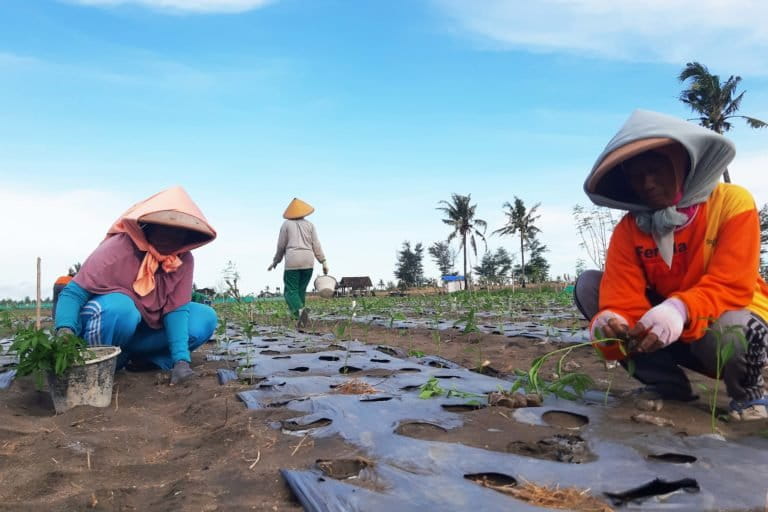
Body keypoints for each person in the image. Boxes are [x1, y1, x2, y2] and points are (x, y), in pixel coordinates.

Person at [575, 109, 768, 421]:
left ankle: (748, 395)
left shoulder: (732, 203)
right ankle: (668, 385)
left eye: (656, 170)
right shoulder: (630, 228)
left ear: (681, 164)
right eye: (637, 176)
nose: (648, 183)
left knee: (736, 329)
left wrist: (679, 310)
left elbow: (732, 284)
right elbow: (621, 297)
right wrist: (611, 323)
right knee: (588, 285)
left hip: (729, 328)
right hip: (664, 333)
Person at [54, 186, 218, 385]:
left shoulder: (183, 260)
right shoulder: (118, 248)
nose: (170, 238)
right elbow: (73, 293)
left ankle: (144, 360)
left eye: (178, 233)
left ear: (187, 237)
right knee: (122, 308)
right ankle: (95, 363)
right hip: (109, 323)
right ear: (149, 227)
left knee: (205, 317)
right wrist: (65, 331)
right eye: (164, 229)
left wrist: (181, 360)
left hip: (143, 333)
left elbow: (176, 311)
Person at [268, 198, 328, 327]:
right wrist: (323, 261)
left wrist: (276, 261)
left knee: (290, 291)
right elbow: (316, 244)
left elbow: (281, 245)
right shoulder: (310, 225)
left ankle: (299, 312)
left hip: (293, 260)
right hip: (308, 260)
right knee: (300, 290)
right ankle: (299, 318)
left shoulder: (286, 224)